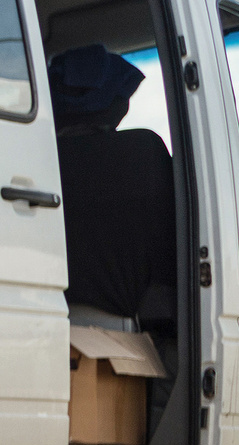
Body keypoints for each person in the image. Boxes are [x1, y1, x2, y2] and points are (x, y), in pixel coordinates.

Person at [49, 43, 177, 330]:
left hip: (38, 314)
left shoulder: (31, 159)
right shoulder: (144, 153)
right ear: (115, 102)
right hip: (128, 333)